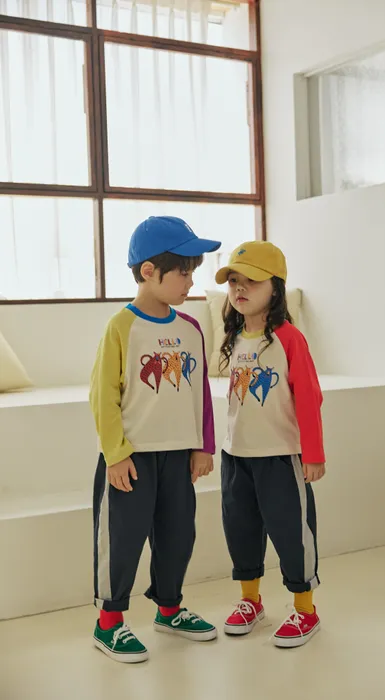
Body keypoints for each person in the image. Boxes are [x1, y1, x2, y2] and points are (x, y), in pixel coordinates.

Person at [90, 216, 220, 663]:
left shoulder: (191, 329)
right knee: (122, 541)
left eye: (192, 271)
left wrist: (203, 445)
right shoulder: (121, 327)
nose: (191, 281)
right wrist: (115, 454)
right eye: (183, 271)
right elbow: (102, 396)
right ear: (149, 271)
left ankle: (169, 610)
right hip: (132, 459)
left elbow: (200, 392)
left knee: (177, 536)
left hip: (178, 457)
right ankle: (109, 623)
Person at [216, 241, 326, 649]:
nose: (239, 288)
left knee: (292, 533)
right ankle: (251, 601)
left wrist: (313, 453)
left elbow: (309, 397)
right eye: (233, 281)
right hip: (236, 456)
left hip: (279, 456)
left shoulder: (289, 338)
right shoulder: (234, 336)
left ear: (275, 288)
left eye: (252, 281)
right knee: (240, 530)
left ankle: (305, 610)